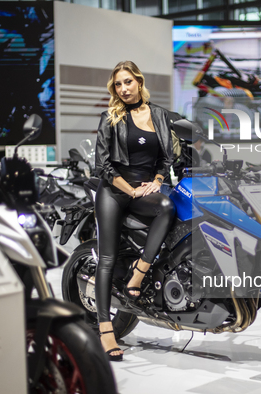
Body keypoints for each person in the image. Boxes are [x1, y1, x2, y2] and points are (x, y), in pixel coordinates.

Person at [94, 61, 175, 362]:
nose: (124, 89)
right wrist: (130, 190)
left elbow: (167, 159)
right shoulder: (110, 117)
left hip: (145, 190)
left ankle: (137, 276)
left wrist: (156, 181)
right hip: (114, 191)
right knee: (106, 258)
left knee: (168, 207)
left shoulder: (160, 115)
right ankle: (106, 331)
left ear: (139, 82)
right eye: (118, 84)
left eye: (128, 82)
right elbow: (102, 164)